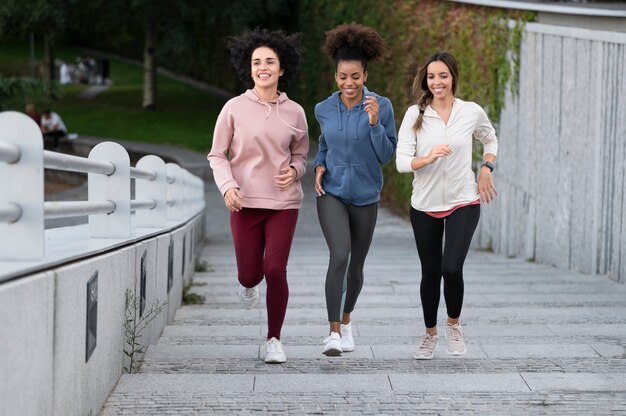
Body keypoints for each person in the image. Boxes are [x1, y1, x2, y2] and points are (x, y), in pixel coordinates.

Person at [207, 28, 308, 364]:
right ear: (249, 68)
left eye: (270, 61)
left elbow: (301, 155)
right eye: (257, 62)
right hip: (244, 202)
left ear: (281, 69)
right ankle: (248, 284)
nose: (263, 66)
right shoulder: (234, 108)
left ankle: (274, 339)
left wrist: (295, 171)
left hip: (283, 202)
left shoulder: (295, 111)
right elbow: (217, 155)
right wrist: (227, 186)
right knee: (251, 274)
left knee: (275, 269)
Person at [396, 51, 498, 360]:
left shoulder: (470, 112)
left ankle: (454, 325)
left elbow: (490, 140)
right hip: (424, 203)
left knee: (451, 268)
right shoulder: (415, 115)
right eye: (431, 76)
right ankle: (430, 334)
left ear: (453, 76)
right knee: (431, 272)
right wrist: (426, 158)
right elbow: (401, 161)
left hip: (463, 200)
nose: (437, 81)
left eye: (443, 75)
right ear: (425, 80)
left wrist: (486, 168)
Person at [313, 23, 396, 356]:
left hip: (366, 196)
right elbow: (324, 142)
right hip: (331, 192)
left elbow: (386, 156)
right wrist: (319, 163)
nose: (350, 84)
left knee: (356, 266)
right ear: (336, 76)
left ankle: (346, 323)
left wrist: (375, 124)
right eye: (343, 77)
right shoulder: (323, 108)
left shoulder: (382, 106)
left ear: (365, 75)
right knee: (340, 256)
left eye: (356, 77)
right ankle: (332, 332)